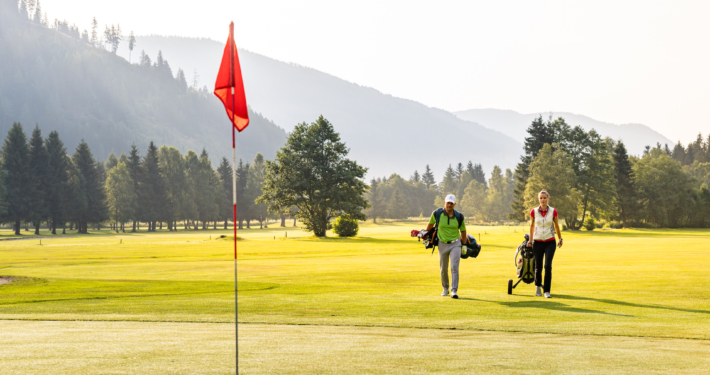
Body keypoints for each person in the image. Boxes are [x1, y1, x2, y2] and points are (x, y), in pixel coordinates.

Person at [424, 194, 469, 299]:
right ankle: (445, 288)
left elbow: (463, 231)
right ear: (444, 203)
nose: (449, 205)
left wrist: (464, 245)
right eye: (448, 203)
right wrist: (426, 236)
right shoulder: (437, 214)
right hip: (442, 244)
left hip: (456, 244)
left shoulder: (459, 216)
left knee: (454, 267)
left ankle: (454, 291)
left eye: (451, 203)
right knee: (443, 269)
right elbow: (429, 226)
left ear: (455, 204)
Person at [527, 189, 563, 298]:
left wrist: (560, 238)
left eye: (544, 198)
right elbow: (532, 226)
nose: (542, 200)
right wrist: (530, 240)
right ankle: (538, 286)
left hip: (550, 242)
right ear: (539, 199)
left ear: (548, 198)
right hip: (537, 242)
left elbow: (556, 226)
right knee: (538, 266)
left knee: (547, 266)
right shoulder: (534, 211)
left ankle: (547, 291)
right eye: (541, 198)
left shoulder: (553, 211)